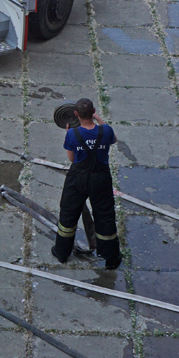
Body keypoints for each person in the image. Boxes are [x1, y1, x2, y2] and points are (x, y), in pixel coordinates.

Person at [53, 98, 121, 269]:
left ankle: (61, 252)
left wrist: (68, 135)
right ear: (93, 111)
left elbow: (72, 158)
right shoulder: (105, 130)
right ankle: (110, 258)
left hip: (78, 179)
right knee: (105, 215)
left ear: (75, 114)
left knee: (68, 213)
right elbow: (114, 139)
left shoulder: (72, 134)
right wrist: (98, 119)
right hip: (101, 179)